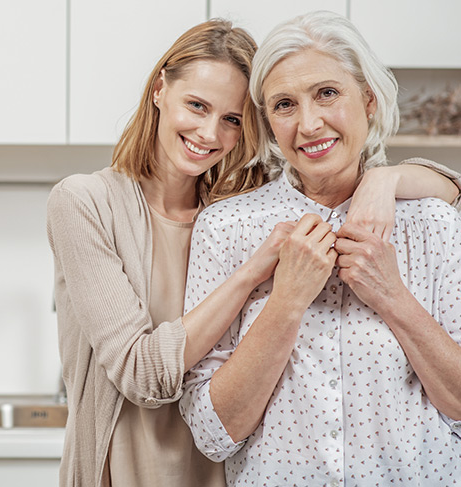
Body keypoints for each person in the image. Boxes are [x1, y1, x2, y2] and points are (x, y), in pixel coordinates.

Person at [179, 11, 461, 487]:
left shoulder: (432, 222)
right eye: (284, 105)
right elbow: (213, 432)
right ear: (268, 123)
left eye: (327, 93)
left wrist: (392, 296)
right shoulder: (226, 227)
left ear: (368, 100)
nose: (309, 123)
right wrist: (286, 301)